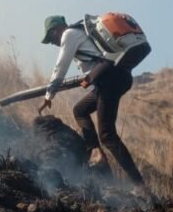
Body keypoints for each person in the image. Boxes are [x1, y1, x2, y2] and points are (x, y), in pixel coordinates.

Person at [37, 15, 149, 195]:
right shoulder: (83, 33)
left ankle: (140, 185)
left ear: (56, 30)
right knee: (80, 110)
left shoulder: (69, 34)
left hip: (110, 78)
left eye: (51, 39)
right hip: (114, 77)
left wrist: (49, 95)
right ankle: (96, 153)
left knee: (107, 135)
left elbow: (60, 66)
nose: (53, 43)